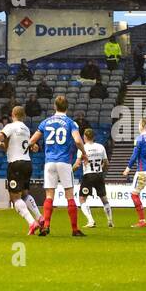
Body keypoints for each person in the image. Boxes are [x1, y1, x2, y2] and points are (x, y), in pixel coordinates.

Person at [29, 95, 85, 236]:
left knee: (49, 195)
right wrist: (84, 152)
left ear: (55, 106)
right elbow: (78, 141)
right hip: (64, 162)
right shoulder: (70, 122)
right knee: (69, 196)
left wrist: (34, 146)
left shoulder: (45, 122)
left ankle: (46, 226)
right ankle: (74, 229)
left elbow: (31, 141)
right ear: (67, 107)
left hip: (49, 162)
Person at [0, 105, 40, 234]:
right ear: (24, 116)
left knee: (15, 198)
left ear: (12, 115)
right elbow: (12, 146)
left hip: (15, 164)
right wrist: (1, 145)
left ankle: (32, 223)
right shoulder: (26, 129)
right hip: (27, 163)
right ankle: (39, 217)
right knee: (25, 194)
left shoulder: (10, 126)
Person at [74, 126, 113, 230]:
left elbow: (77, 164)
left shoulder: (83, 148)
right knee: (104, 199)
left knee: (82, 199)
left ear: (85, 137)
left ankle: (91, 221)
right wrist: (101, 169)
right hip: (99, 174)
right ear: (93, 136)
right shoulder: (101, 147)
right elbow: (106, 163)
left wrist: (70, 171)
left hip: (88, 175)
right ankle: (110, 221)